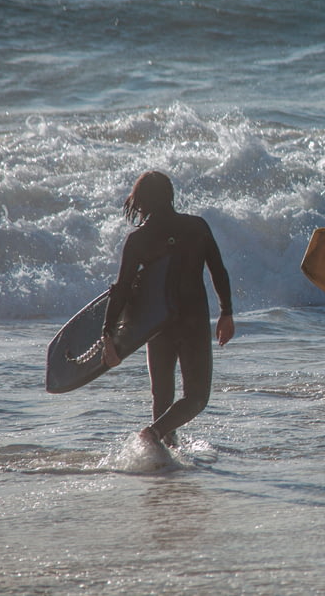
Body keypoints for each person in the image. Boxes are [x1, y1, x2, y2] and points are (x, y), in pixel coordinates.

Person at [101, 171, 235, 448]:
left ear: (140, 202)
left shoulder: (138, 240)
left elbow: (122, 289)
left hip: (157, 325)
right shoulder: (197, 227)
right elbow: (218, 271)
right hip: (193, 322)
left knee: (162, 398)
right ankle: (153, 434)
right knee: (196, 398)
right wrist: (226, 312)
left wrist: (108, 334)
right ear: (170, 196)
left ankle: (161, 462)